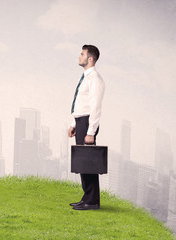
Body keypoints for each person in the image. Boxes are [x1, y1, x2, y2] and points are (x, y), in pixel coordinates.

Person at [68, 45, 105, 210]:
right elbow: (82, 104)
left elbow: (95, 107)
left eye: (82, 54)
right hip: (81, 122)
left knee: (88, 162)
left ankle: (91, 201)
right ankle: (87, 198)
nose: (79, 56)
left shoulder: (95, 79)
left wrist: (90, 132)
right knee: (83, 162)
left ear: (90, 58)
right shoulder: (85, 78)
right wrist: (73, 123)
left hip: (88, 122)